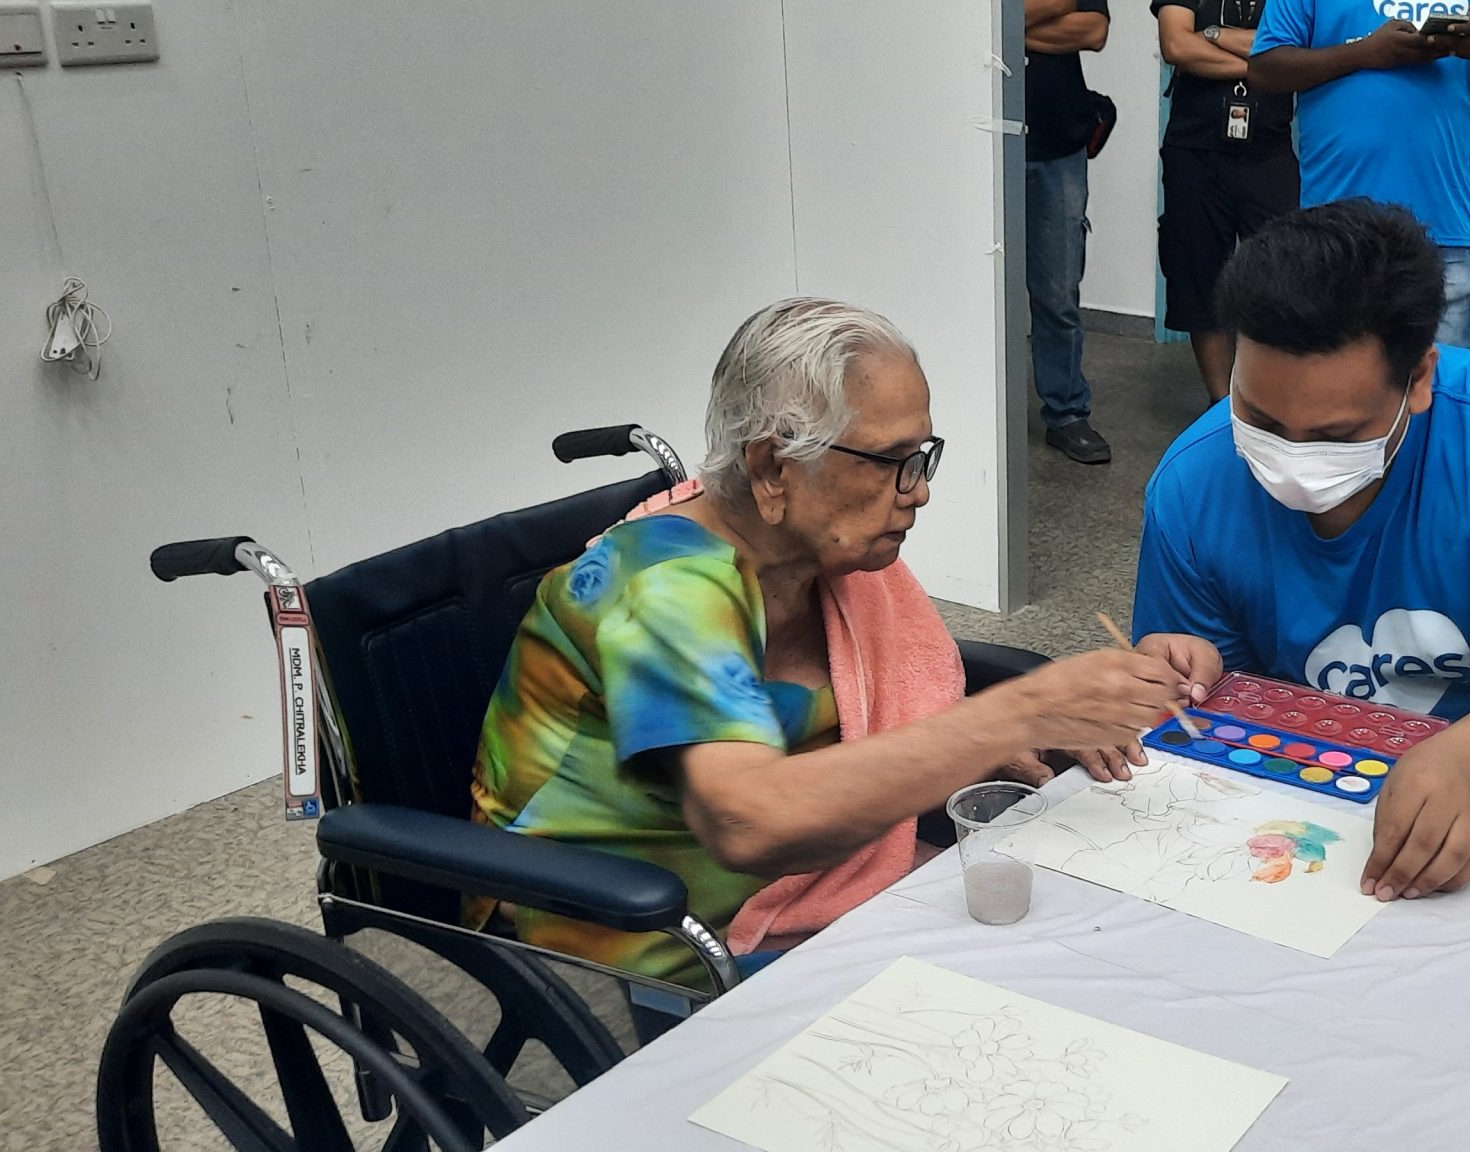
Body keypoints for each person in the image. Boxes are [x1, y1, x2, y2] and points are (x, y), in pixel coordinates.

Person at [469, 299, 1191, 985]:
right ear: (770, 467)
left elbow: (857, 710)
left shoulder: (822, 562)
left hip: (802, 887)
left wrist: (992, 738)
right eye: (889, 461)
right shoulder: (662, 585)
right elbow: (749, 823)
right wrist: (1014, 712)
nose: (921, 492)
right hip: (649, 931)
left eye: (923, 455)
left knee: (1083, 934)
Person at [1130, 201, 1470, 906]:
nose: (1291, 456)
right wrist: (1190, 674)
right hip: (1322, 758)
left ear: (1419, 379)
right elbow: (1211, 709)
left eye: (1336, 432)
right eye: (1261, 419)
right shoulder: (1195, 480)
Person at [1245, 1, 1470, 348]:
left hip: (1442, 233)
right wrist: (1365, 52)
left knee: (1433, 389)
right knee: (1334, 392)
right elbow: (1264, 70)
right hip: (1334, 233)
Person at [1154, 0, 1300, 403]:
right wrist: (1268, 65)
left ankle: (1267, 400)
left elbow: (1299, 55)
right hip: (1194, 150)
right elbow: (1177, 46)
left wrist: (1213, 36)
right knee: (1200, 277)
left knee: (1282, 280)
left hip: (1268, 153)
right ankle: (1222, 408)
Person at [1026, 0, 1116, 464]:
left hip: (1057, 142)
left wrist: (1007, 28)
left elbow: (1094, 29)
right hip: (975, 136)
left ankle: (1066, 414)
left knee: (1058, 292)